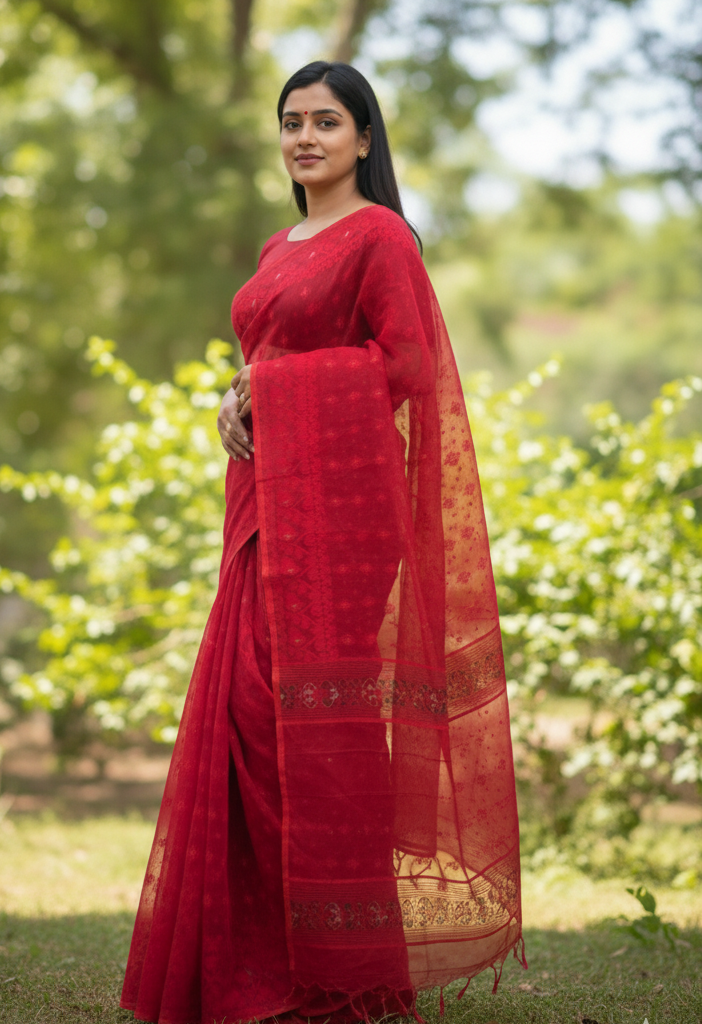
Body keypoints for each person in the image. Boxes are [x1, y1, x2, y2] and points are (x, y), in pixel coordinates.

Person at [120, 60, 525, 1024]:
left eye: (327, 122)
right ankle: (253, 957)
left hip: (340, 511)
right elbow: (265, 362)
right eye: (292, 121)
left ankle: (338, 972)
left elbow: (405, 364)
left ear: (363, 140)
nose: (306, 137)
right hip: (267, 495)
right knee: (248, 714)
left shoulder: (378, 236)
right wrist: (240, 392)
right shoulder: (277, 244)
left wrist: (273, 389)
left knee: (312, 721)